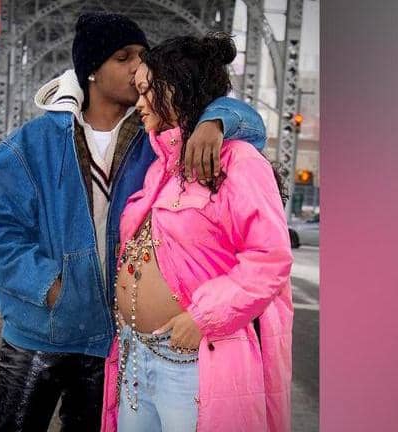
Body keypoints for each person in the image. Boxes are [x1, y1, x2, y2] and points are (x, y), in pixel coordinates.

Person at [0, 12, 267, 432]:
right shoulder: (31, 143)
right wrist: (50, 286)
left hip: (111, 343)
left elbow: (248, 121)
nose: (137, 67)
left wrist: (216, 121)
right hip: (38, 335)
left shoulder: (157, 137)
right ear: (91, 70)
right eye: (123, 57)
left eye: (142, 56)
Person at [99, 32, 293, 432]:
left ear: (176, 87)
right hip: (136, 355)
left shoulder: (237, 161)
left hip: (191, 361)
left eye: (147, 91)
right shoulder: (161, 167)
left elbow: (269, 260)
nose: (139, 104)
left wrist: (204, 317)